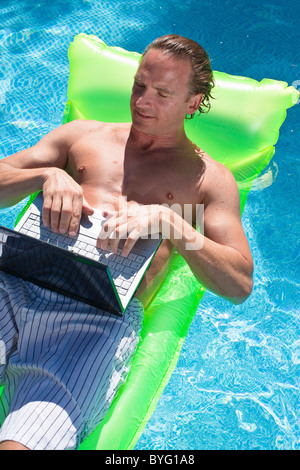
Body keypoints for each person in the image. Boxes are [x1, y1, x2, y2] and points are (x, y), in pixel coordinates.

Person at [0, 35, 253, 450]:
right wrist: (42, 176)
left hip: (95, 321)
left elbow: (239, 284)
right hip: (13, 283)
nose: (142, 102)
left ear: (193, 102)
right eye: (139, 85)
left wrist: (174, 224)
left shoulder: (207, 179)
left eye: (162, 93)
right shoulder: (83, 137)